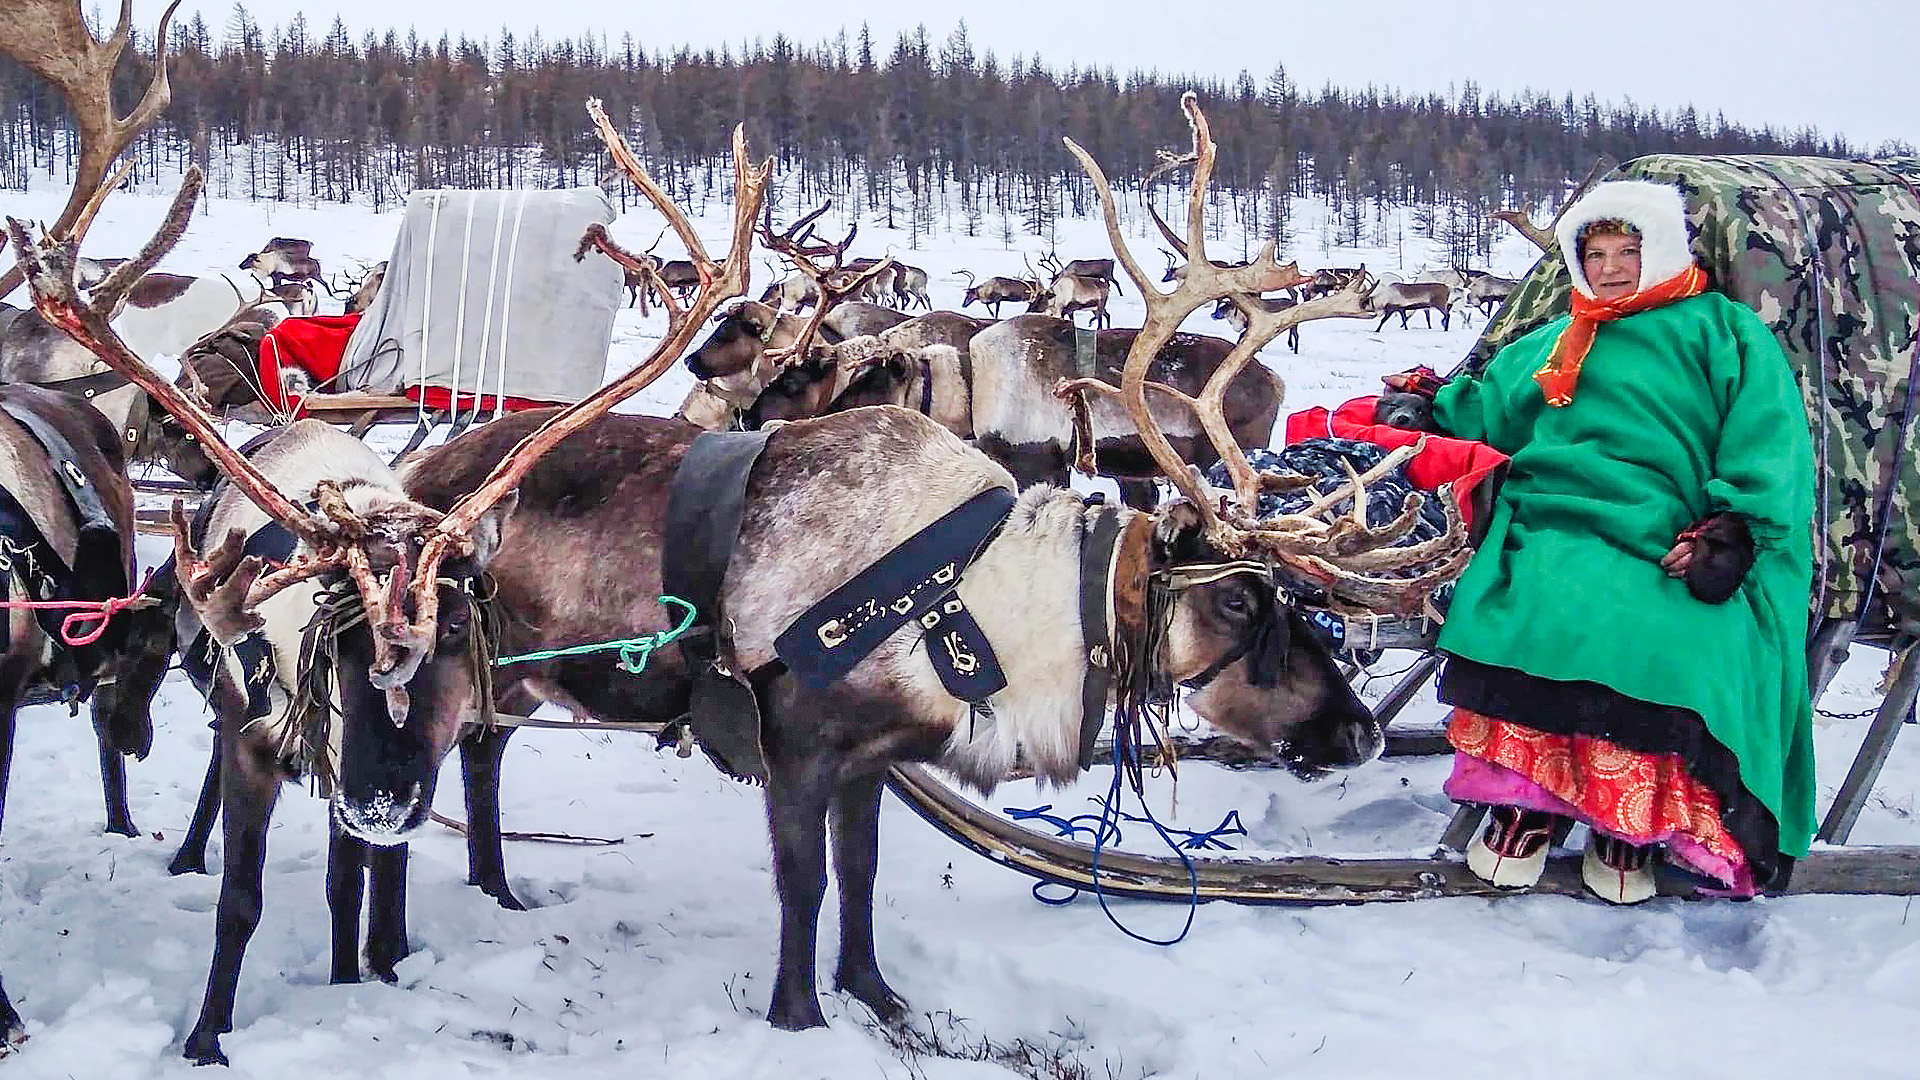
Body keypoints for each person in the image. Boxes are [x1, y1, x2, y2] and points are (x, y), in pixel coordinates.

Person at [1415, 180, 1815, 903]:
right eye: (1592, 253)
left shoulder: (1722, 331)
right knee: (1542, 597)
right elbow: (1490, 408)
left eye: (1627, 252)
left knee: (1666, 628)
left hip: (1668, 526)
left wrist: (1733, 530)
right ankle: (1524, 806)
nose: (1607, 269)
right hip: (1556, 515)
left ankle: (1626, 822)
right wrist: (1426, 404)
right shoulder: (1564, 334)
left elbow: (1769, 440)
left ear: (1658, 250)